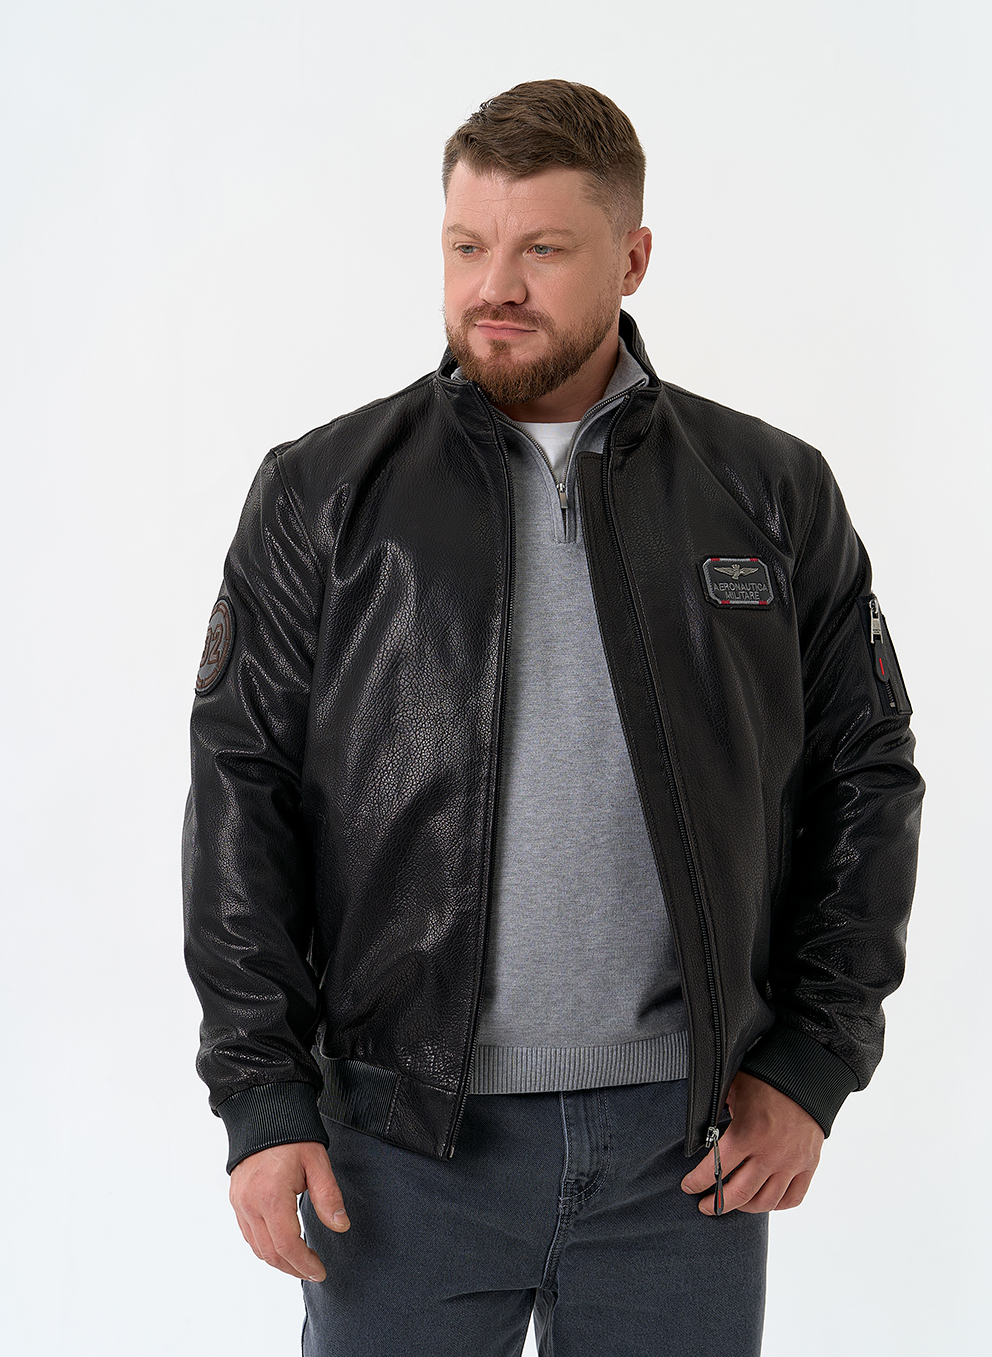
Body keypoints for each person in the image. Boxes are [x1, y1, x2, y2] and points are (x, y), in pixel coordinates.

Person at [183, 79, 923, 1357]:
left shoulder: (767, 490)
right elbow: (240, 792)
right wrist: (258, 1091)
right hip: (401, 1144)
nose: (494, 287)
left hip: (683, 1149)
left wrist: (812, 1060)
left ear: (630, 260)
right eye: (466, 246)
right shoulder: (322, 494)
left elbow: (865, 774)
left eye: (540, 249)